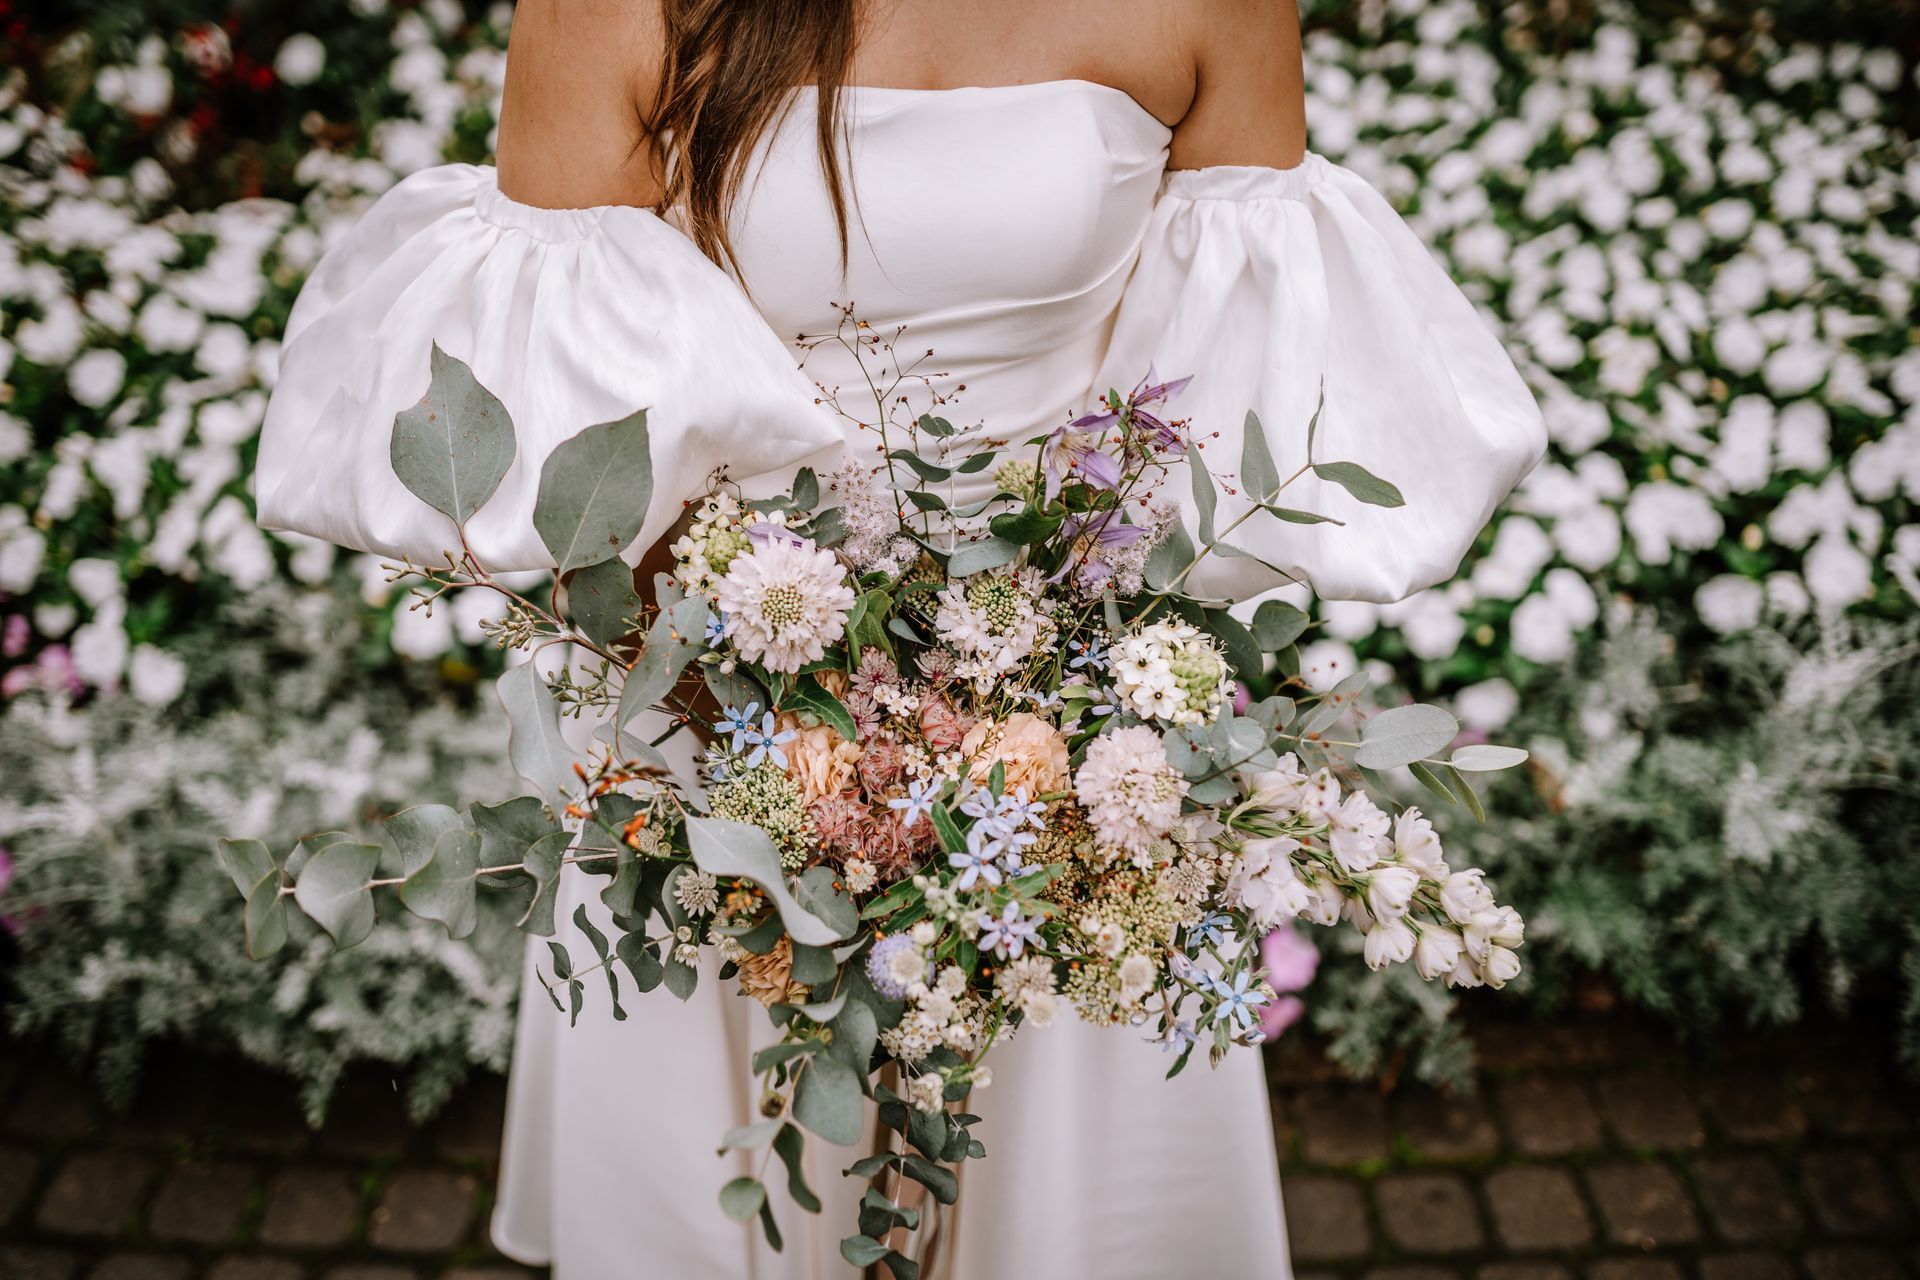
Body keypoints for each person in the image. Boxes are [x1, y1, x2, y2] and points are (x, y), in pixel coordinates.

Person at [254, 2, 1546, 1275]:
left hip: (1064, 751)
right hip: (720, 713)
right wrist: (789, 760)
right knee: (739, 1172)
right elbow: (586, 408)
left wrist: (1058, 723)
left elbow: (1222, 385)